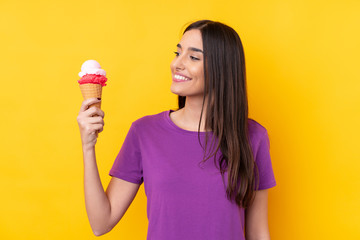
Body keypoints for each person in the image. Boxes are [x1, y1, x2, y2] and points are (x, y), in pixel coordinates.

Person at [77, 20, 276, 240]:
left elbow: (258, 233)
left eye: (193, 57)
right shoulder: (145, 132)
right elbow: (100, 223)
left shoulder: (253, 137)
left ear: (222, 68)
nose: (177, 64)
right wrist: (88, 146)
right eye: (177, 53)